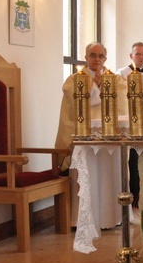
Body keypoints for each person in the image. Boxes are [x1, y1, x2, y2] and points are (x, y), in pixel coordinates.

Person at [55, 42, 128, 229]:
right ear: (86, 57)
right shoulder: (74, 79)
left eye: (101, 56)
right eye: (93, 55)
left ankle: (111, 217)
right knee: (85, 175)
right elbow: (73, 103)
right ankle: (82, 219)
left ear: (105, 58)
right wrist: (94, 88)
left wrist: (103, 88)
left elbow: (122, 101)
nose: (97, 59)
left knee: (109, 172)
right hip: (83, 137)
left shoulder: (115, 79)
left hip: (109, 136)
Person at [118, 42, 143, 209]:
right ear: (131, 55)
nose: (141, 57)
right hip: (132, 121)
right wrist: (141, 89)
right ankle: (135, 195)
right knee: (134, 160)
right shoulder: (122, 74)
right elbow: (120, 97)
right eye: (138, 54)